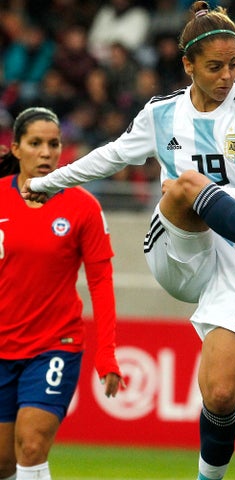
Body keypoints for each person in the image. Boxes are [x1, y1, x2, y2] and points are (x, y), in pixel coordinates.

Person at [21, 3, 235, 480]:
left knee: (219, 394)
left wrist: (211, 195)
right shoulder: (161, 114)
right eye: (215, 67)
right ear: (188, 65)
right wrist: (50, 182)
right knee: (184, 186)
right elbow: (111, 156)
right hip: (176, 246)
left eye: (234, 65)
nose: (227, 76)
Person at [0, 107, 125, 480]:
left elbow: (101, 282)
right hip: (3, 345)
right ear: (17, 148)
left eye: (53, 144)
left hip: (55, 344)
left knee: (33, 446)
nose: (46, 153)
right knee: (4, 463)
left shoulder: (83, 207)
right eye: (35, 143)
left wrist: (107, 354)